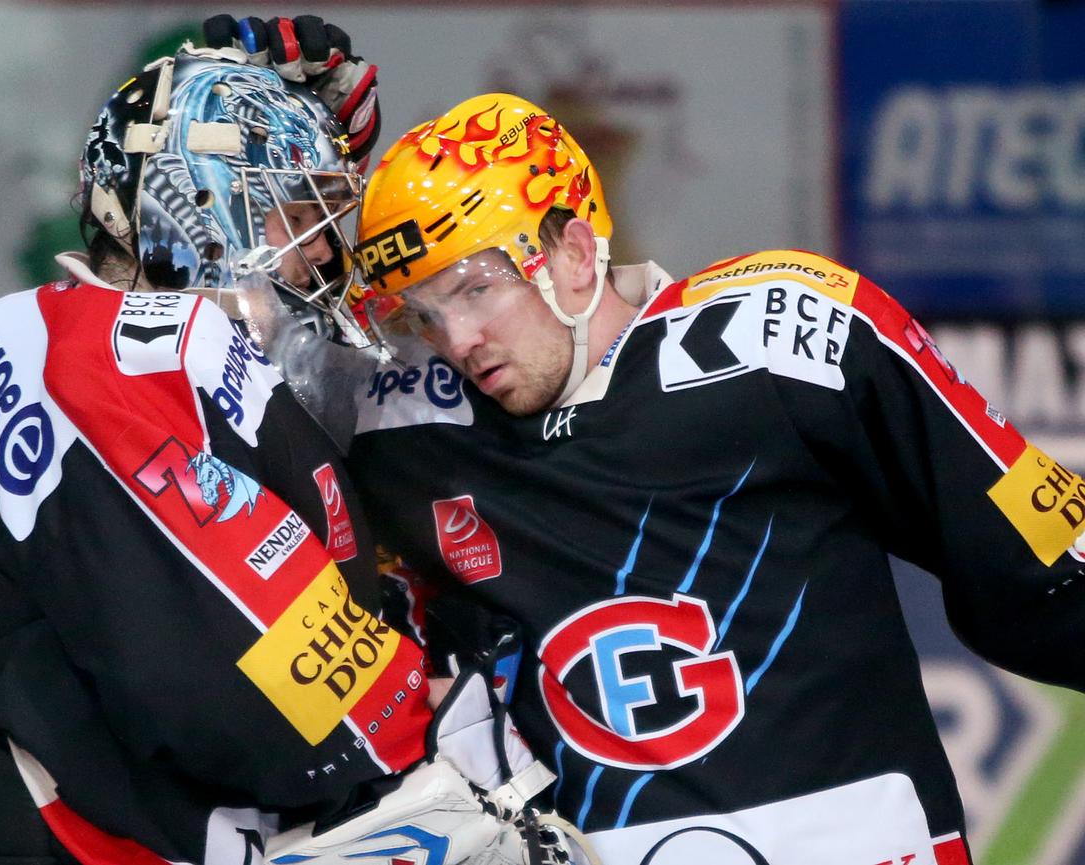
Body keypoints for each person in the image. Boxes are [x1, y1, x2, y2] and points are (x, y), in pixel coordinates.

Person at [331, 93, 1085, 865]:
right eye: (420, 315)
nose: (456, 339)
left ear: (577, 252)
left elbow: (1044, 556)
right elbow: (239, 385)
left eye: (476, 289)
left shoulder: (785, 335)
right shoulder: (401, 425)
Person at [0, 36, 554, 865]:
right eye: (296, 215)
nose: (325, 250)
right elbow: (259, 684)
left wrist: (269, 117)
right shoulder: (102, 357)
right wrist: (432, 725)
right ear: (199, 214)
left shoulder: (154, 357)